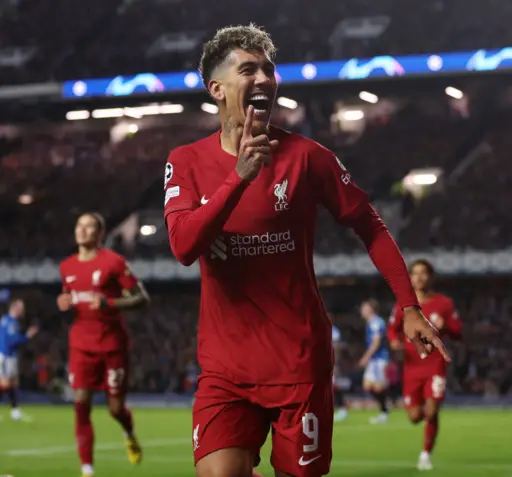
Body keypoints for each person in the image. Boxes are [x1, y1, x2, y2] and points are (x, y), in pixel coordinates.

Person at [163, 24, 448, 477]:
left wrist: (408, 305)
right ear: (216, 88)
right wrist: (238, 178)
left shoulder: (308, 157)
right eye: (249, 69)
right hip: (226, 367)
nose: (264, 79)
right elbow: (183, 245)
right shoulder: (186, 161)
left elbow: (369, 224)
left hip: (299, 363)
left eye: (269, 70)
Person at [56, 212, 150, 477]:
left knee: (116, 408)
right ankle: (87, 469)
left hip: (111, 345)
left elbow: (142, 298)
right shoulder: (66, 266)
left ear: (100, 234)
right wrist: (64, 302)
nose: (83, 230)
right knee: (80, 403)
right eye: (79, 225)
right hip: (81, 344)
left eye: (89, 227)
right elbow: (70, 296)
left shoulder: (114, 263)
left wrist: (110, 303)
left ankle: (129, 432)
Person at [388, 259, 461, 471]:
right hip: (411, 367)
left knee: (431, 411)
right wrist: (394, 340)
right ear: (409, 278)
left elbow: (459, 332)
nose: (419, 277)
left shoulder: (444, 304)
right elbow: (393, 328)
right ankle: (426, 437)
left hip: (435, 365)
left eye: (423, 273)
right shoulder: (402, 306)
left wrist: (446, 326)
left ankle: (426, 453)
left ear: (431, 277)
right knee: (414, 417)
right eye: (415, 273)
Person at [0, 298, 39, 421]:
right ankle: (14, 411)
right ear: (14, 308)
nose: (22, 310)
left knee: (13, 384)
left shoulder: (11, 322)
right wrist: (27, 336)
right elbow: (12, 341)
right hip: (6, 356)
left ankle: (15, 411)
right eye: (20, 307)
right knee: (5, 384)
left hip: (11, 356)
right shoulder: (9, 322)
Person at [358, 299, 390, 424]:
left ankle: (385, 410)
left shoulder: (376, 323)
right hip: (374, 360)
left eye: (364, 308)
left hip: (379, 359)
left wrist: (366, 357)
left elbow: (376, 342)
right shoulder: (371, 323)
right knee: (368, 385)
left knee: (378, 387)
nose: (362, 311)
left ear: (370, 309)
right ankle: (386, 407)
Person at [330, 317, 348, 422]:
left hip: (331, 362)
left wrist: (335, 363)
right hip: (324, 362)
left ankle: (342, 409)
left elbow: (336, 348)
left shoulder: (334, 331)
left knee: (333, 385)